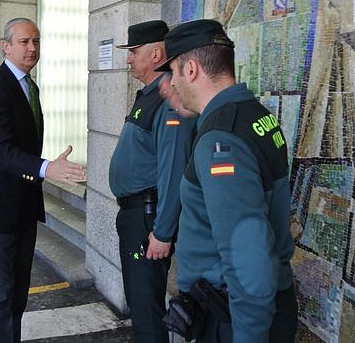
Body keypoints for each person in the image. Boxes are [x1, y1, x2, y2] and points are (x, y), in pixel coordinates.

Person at [156, 19, 297, 342]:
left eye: (175, 72)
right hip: (245, 308)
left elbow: (248, 254)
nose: (173, 83)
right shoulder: (253, 114)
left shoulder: (221, 140)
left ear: (191, 70)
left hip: (231, 319)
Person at [0, 17, 85, 343]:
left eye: (36, 41)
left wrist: (43, 168)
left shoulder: (28, 85)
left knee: (16, 297)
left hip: (22, 210)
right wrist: (47, 167)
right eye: (24, 41)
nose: (32, 47)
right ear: (6, 46)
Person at [108, 20, 196, 343]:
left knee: (146, 314)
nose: (129, 59)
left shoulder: (169, 101)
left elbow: (173, 173)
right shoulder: (149, 95)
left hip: (148, 219)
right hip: (135, 216)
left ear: (156, 53)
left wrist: (162, 231)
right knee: (139, 304)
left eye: (134, 52)